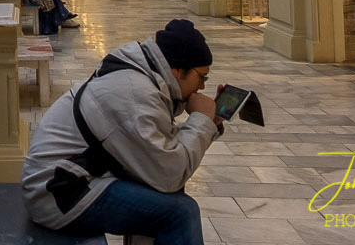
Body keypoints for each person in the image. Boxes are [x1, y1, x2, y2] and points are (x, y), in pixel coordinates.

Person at [22, 19, 222, 244]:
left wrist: (209, 123)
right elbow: (170, 173)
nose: (202, 86)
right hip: (59, 194)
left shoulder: (139, 74)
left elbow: (159, 151)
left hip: (72, 180)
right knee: (181, 213)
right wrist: (200, 120)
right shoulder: (136, 96)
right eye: (201, 77)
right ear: (176, 71)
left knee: (164, 193)